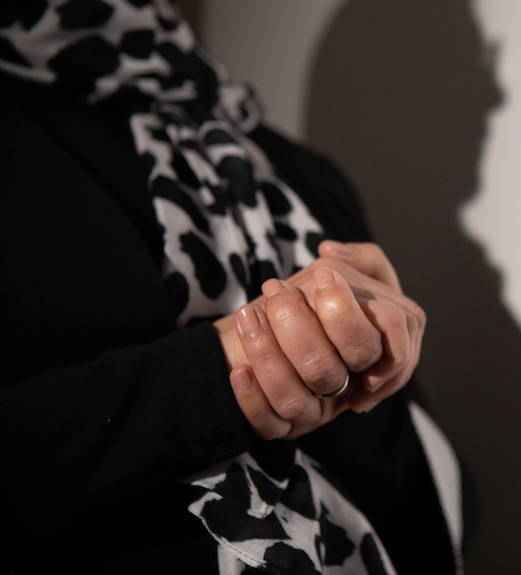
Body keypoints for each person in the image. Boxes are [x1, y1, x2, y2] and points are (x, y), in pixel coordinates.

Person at [0, 1, 466, 573]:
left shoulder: (298, 172)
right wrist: (226, 371)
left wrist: (368, 369)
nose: (490, 104)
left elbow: (425, 510)